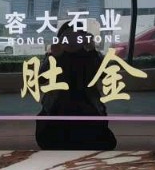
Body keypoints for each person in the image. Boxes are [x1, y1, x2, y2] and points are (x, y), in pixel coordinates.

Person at [35, 22, 117, 150]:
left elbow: (106, 74)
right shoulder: (56, 55)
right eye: (68, 37)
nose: (72, 41)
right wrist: (53, 56)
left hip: (87, 108)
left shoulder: (90, 55)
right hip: (58, 108)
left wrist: (92, 51)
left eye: (77, 36)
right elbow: (41, 79)